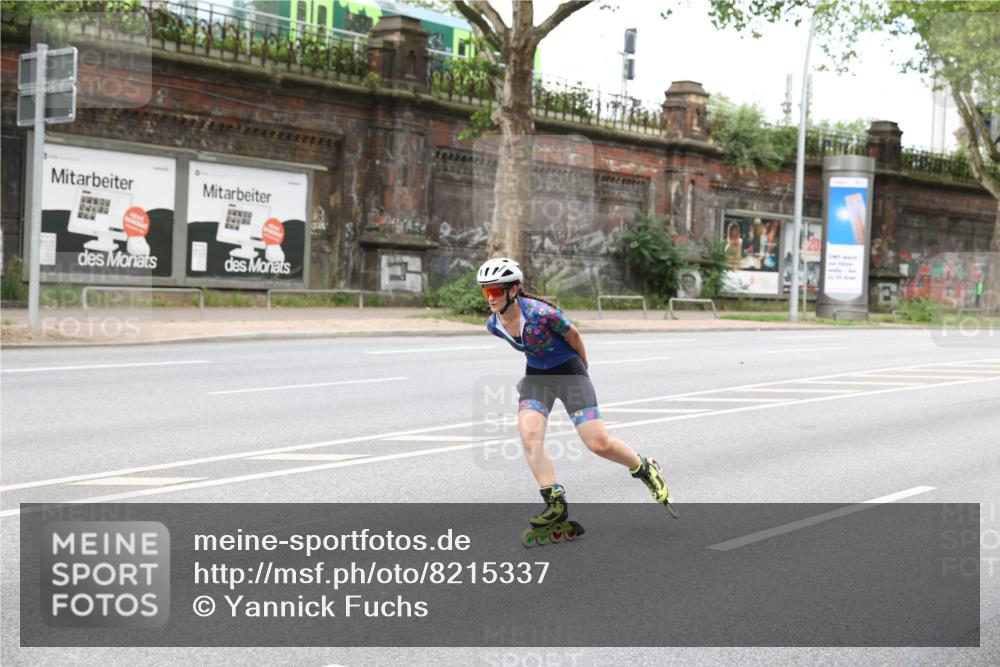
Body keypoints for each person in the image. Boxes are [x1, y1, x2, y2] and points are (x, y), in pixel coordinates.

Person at [476, 257, 677, 546]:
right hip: (537, 376)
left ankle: (644, 467)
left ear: (514, 290)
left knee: (598, 443)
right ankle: (555, 503)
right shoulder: (493, 325)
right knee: (529, 437)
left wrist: (582, 367)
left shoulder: (542, 314)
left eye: (495, 291)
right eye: (486, 291)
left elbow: (573, 335)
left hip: (569, 370)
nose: (490, 298)